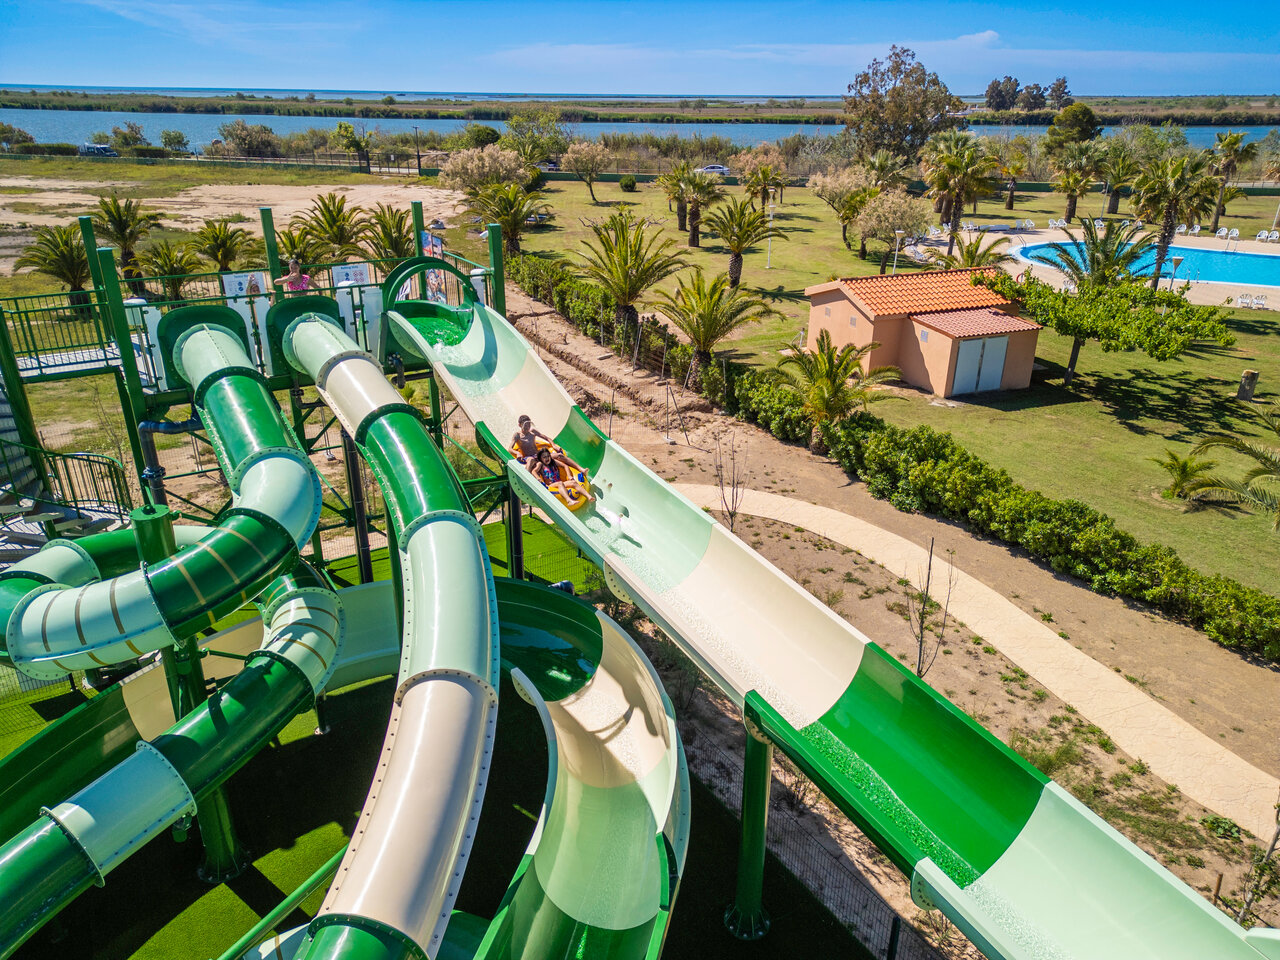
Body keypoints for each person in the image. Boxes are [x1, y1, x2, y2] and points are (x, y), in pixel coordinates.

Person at [511, 414, 583, 473]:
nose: (527, 427)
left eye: (529, 425)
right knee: (531, 460)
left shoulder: (532, 431)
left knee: (560, 455)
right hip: (528, 457)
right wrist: (517, 453)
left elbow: (547, 438)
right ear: (520, 425)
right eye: (525, 425)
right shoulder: (517, 435)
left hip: (539, 455)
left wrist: (554, 445)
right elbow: (509, 449)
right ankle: (525, 478)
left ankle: (581, 469)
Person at [527, 447, 594, 503]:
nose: (547, 458)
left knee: (573, 482)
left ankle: (589, 496)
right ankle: (569, 501)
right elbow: (533, 471)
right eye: (544, 457)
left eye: (548, 456)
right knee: (560, 483)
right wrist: (538, 478)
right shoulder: (540, 464)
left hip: (560, 483)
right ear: (540, 459)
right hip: (551, 486)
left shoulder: (553, 462)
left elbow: (565, 466)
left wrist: (569, 475)